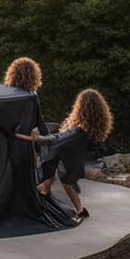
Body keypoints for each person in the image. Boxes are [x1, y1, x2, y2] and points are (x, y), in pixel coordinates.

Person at [16, 88, 114, 223]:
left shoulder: (78, 131)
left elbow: (55, 140)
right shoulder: (89, 128)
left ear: (81, 107)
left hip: (69, 164)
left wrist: (30, 138)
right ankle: (76, 207)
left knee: (66, 181)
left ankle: (46, 187)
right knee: (67, 182)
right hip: (72, 161)